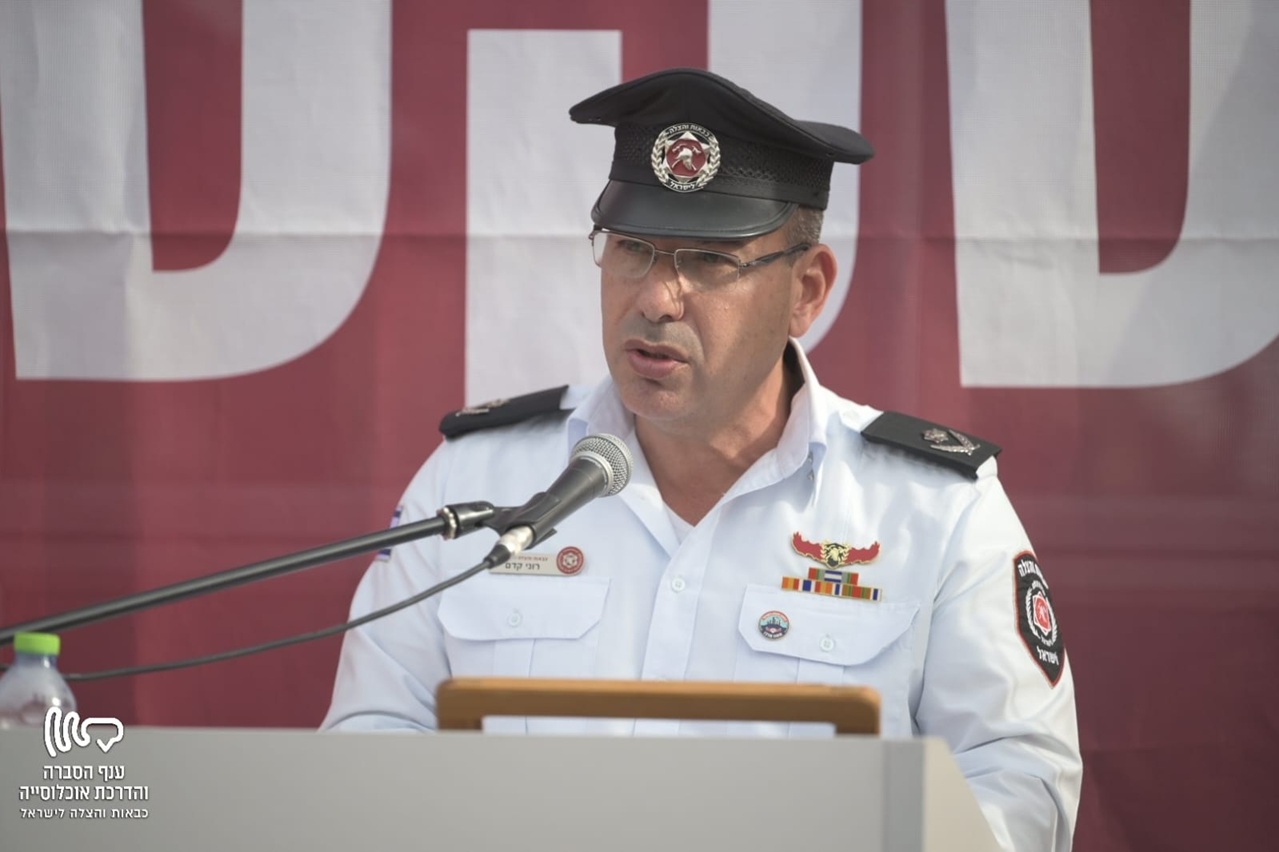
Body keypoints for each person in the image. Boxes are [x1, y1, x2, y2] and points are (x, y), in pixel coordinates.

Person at [321, 67, 1082, 850]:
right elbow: (375, 734)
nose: (655, 298)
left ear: (805, 290)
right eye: (633, 249)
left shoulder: (935, 509)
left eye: (710, 261)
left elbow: (1015, 781)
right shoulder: (474, 483)